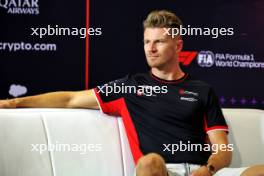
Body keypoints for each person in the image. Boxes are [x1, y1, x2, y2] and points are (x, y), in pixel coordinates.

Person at [0, 10, 264, 176]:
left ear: (178, 45)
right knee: (149, 163)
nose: (151, 48)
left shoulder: (203, 90)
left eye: (159, 41)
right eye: (147, 41)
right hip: (162, 171)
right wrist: (15, 103)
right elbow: (70, 98)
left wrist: (208, 170)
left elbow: (222, 151)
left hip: (203, 172)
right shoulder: (129, 86)